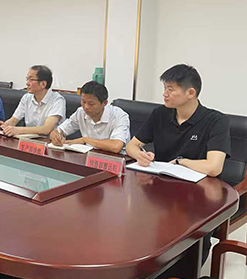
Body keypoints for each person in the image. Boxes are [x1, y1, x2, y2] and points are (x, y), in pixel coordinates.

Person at [125, 64, 230, 265]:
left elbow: (214, 167)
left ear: (190, 93)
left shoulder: (216, 121)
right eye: (164, 88)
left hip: (198, 196)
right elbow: (131, 146)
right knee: (137, 227)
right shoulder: (160, 114)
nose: (164, 94)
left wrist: (182, 161)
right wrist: (140, 155)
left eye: (170, 89)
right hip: (161, 190)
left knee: (184, 249)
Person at [50, 81, 130, 153]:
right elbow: (59, 130)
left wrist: (85, 139)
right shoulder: (81, 112)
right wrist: (56, 135)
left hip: (114, 159)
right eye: (83, 102)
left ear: (104, 103)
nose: (86, 107)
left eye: (91, 104)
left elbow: (116, 146)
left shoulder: (119, 116)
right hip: (89, 157)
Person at [0, 65, 65, 137]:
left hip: (48, 141)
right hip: (28, 140)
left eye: (31, 80)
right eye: (27, 79)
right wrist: (4, 126)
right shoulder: (26, 98)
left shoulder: (57, 100)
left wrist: (18, 130)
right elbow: (13, 120)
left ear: (43, 84)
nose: (27, 83)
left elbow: (46, 129)